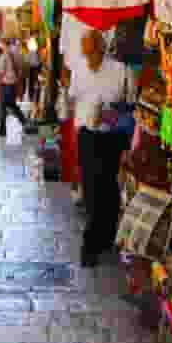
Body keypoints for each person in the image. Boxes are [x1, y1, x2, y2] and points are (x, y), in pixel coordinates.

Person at [67, 28, 132, 267]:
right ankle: (91, 244)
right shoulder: (79, 70)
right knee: (93, 188)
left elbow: (127, 101)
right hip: (88, 135)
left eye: (92, 51)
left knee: (108, 187)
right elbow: (73, 97)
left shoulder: (119, 70)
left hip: (111, 136)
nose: (89, 57)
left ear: (101, 49)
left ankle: (105, 237)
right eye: (86, 53)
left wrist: (109, 112)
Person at [0, 37, 28, 138]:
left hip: (6, 85)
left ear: (4, 44)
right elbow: (21, 68)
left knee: (4, 107)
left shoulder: (4, 56)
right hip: (13, 84)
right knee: (11, 105)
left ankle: (4, 129)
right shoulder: (17, 54)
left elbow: (0, 73)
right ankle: (23, 122)